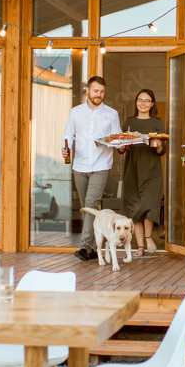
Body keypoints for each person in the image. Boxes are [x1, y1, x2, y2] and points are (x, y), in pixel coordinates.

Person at [63, 76, 122, 261]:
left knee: (90, 204)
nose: (99, 94)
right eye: (96, 91)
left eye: (102, 91)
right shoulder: (75, 112)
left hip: (101, 165)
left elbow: (117, 139)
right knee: (87, 208)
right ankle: (96, 248)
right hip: (79, 165)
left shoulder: (111, 114)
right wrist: (66, 150)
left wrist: (121, 144)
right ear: (87, 90)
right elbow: (68, 135)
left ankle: (85, 246)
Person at [118, 89, 166, 255]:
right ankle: (139, 246)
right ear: (136, 102)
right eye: (140, 100)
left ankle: (148, 237)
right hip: (132, 168)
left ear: (152, 104)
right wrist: (122, 146)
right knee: (134, 205)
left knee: (149, 203)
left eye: (147, 100)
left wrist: (159, 144)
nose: (143, 103)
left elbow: (162, 150)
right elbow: (121, 148)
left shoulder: (157, 122)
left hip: (152, 167)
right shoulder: (129, 122)